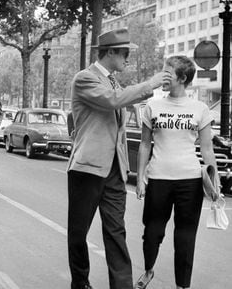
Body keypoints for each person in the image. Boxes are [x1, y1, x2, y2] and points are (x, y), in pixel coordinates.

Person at [66, 28, 169, 289]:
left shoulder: (114, 81)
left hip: (114, 171)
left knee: (116, 232)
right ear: (110, 52)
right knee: (78, 233)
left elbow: (120, 108)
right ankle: (80, 283)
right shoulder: (85, 79)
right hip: (87, 168)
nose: (127, 58)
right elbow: (113, 101)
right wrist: (150, 84)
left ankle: (121, 285)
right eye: (125, 53)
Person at [134, 56, 220, 289]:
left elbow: (207, 148)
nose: (163, 76)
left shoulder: (200, 109)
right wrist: (141, 178)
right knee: (152, 232)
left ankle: (183, 285)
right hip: (158, 178)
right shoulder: (153, 106)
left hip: (189, 182)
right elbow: (144, 144)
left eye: (167, 72)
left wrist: (215, 181)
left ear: (182, 78)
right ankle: (149, 269)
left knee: (185, 236)